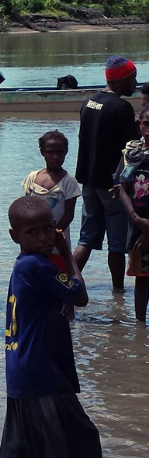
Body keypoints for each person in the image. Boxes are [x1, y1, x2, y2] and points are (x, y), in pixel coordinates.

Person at [0, 196, 101, 458]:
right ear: (16, 236)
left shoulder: (23, 264)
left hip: (20, 370)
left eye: (47, 230)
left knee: (17, 448)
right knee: (84, 437)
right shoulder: (38, 266)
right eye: (33, 233)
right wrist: (66, 251)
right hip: (41, 372)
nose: (42, 238)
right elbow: (80, 296)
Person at [73, 55, 139, 290]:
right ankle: (118, 292)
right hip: (112, 187)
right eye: (133, 78)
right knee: (117, 245)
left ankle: (66, 283)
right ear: (121, 79)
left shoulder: (88, 103)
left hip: (88, 184)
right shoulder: (121, 107)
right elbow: (132, 151)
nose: (136, 83)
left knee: (86, 240)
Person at [21, 130, 82, 273]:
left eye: (60, 152)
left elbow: (69, 214)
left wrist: (52, 234)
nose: (55, 157)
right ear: (42, 152)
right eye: (50, 152)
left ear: (66, 152)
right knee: (33, 272)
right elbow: (25, 208)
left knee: (58, 274)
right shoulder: (32, 178)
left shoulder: (69, 182)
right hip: (33, 239)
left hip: (57, 241)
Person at [116, 107, 149, 322]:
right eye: (147, 123)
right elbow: (122, 188)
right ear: (140, 123)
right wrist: (136, 219)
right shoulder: (131, 153)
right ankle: (140, 328)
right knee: (142, 279)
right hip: (137, 226)